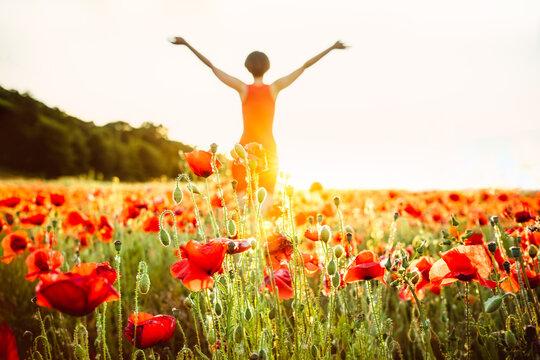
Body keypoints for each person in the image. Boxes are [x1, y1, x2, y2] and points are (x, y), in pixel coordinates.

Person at [170, 37, 347, 196]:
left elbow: (212, 67)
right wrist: (331, 47)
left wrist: (187, 44)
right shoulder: (274, 88)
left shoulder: (243, 89)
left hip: (244, 148)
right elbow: (304, 66)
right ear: (268, 67)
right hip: (268, 147)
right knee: (266, 198)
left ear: (247, 67)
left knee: (242, 202)